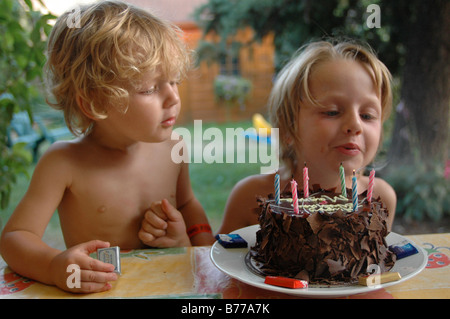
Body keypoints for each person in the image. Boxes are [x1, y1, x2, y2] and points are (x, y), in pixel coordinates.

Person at [0, 1, 214, 294]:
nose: (173, 98)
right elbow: (15, 237)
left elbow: (188, 206)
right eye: (150, 88)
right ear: (94, 103)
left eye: (174, 82)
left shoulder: (174, 148)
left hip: (169, 287)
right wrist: (53, 266)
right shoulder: (64, 163)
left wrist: (195, 246)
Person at [218, 39, 397, 234]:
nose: (355, 125)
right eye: (332, 112)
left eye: (367, 116)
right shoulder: (250, 197)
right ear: (288, 128)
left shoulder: (380, 198)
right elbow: (217, 257)